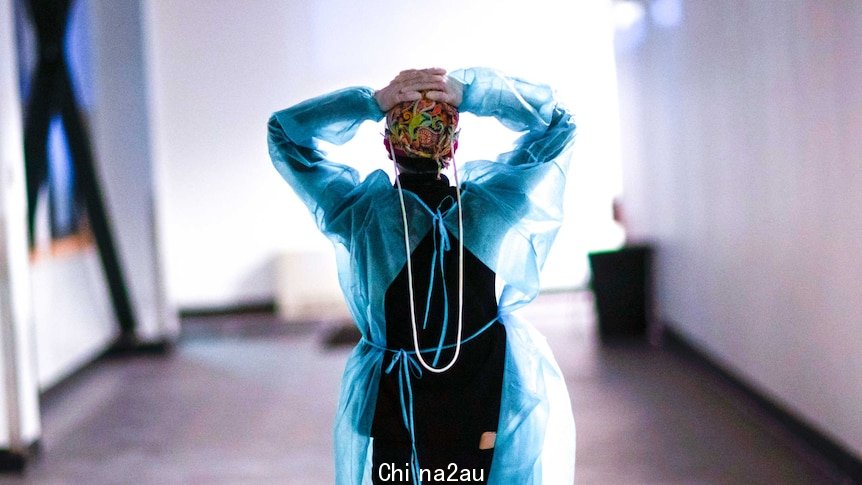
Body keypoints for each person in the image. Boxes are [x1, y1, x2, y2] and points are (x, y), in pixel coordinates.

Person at [268, 67, 577, 484]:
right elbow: (559, 125)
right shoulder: (487, 210)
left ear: (388, 146)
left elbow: (283, 135)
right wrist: (473, 93)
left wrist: (371, 101)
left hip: (398, 407)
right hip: (480, 394)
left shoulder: (361, 216)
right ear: (453, 147)